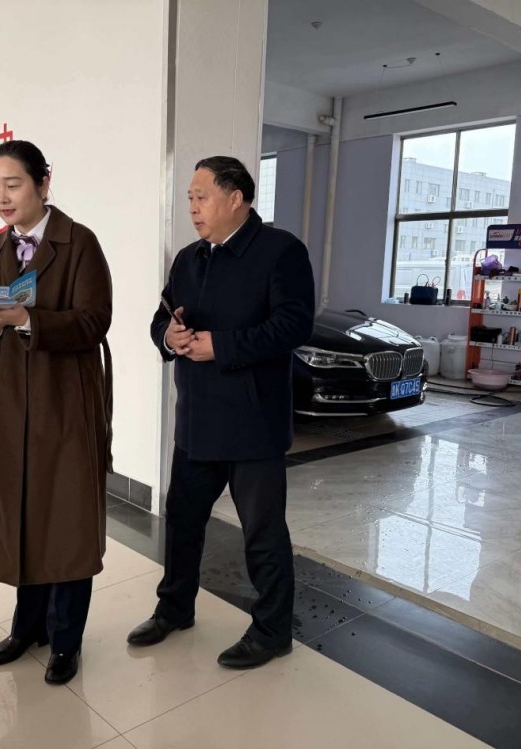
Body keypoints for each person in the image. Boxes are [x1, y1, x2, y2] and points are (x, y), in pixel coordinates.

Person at [128, 156, 315, 669]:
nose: (192, 207)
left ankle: (272, 630)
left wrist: (223, 346)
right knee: (183, 521)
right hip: (197, 419)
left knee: (262, 532)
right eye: (189, 198)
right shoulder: (189, 259)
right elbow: (161, 316)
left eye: (201, 196)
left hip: (253, 423)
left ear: (236, 199)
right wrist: (169, 336)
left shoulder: (280, 251)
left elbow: (294, 325)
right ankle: (174, 609)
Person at [0, 140, 113, 686]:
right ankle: (28, 627)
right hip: (10, 404)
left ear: (43, 183)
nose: (2, 197)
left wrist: (26, 320)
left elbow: (94, 321)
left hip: (64, 403)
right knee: (21, 513)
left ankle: (66, 640)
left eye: (13, 184)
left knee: (66, 521)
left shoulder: (79, 242)